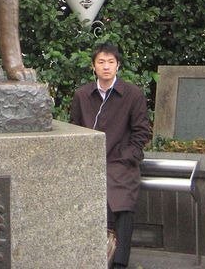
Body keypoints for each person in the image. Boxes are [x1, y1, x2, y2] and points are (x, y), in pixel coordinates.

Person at [70, 42, 152, 269]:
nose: (106, 67)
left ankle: (119, 262)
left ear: (118, 65)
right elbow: (75, 127)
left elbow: (142, 131)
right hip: (91, 163)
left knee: (122, 200)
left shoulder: (132, 94)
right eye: (101, 62)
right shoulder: (83, 95)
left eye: (111, 62)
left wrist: (128, 155)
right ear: (93, 66)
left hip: (121, 162)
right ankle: (91, 255)